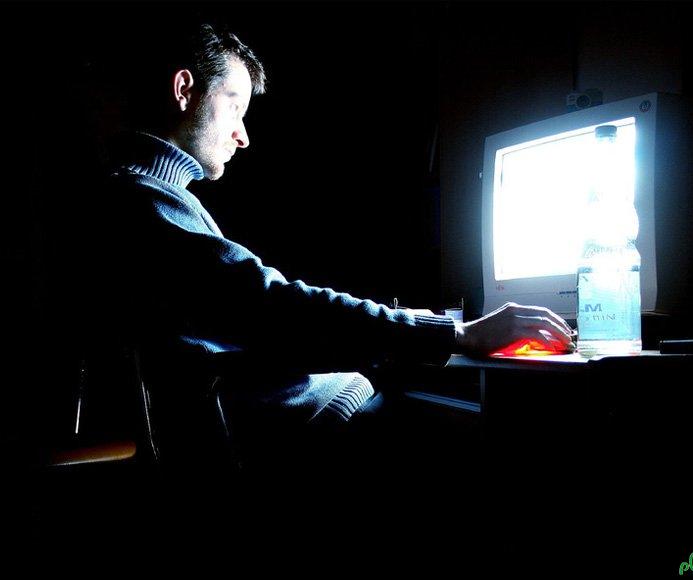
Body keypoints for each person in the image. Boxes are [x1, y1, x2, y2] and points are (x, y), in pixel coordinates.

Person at [81, 22, 575, 479]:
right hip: (287, 434)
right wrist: (456, 333)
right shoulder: (143, 204)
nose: (243, 136)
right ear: (184, 90)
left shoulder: (142, 200)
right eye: (235, 108)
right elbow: (276, 307)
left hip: (287, 417)